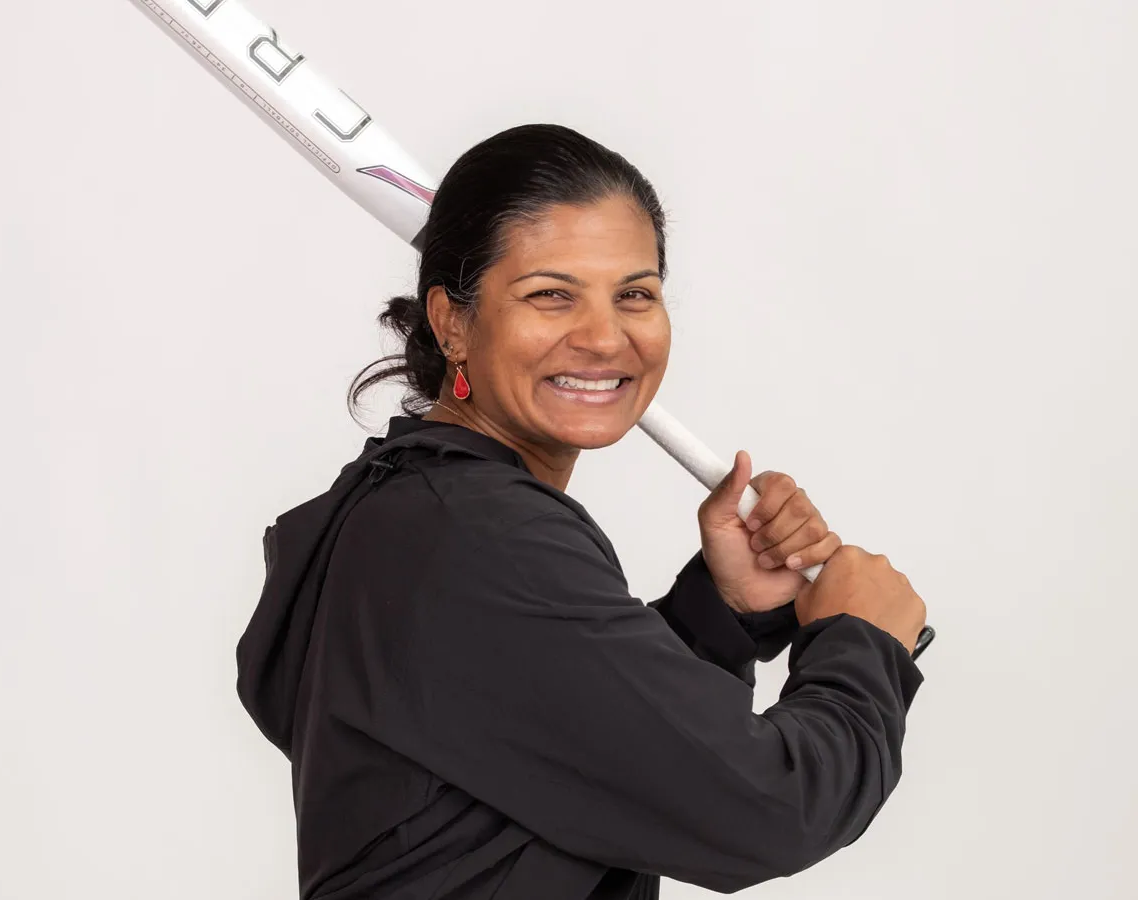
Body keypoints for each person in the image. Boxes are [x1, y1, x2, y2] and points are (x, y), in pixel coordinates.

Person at [236, 124, 928, 900]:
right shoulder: (474, 533)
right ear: (453, 321)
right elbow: (769, 810)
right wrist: (862, 644)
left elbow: (563, 744)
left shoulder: (409, 508)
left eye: (635, 294)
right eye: (550, 296)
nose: (605, 337)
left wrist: (720, 611)